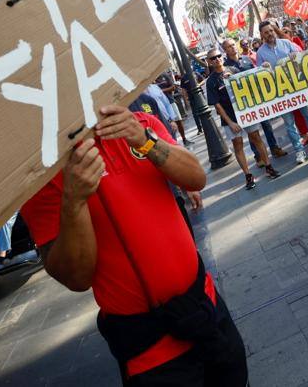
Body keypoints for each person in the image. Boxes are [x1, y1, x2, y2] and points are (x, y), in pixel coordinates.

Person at [20, 105, 247, 385]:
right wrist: (74, 202)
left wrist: (146, 140)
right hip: (151, 349)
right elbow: (75, 278)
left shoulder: (139, 122)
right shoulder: (38, 172)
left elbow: (196, 178)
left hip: (207, 307)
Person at [205, 47, 281, 189]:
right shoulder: (211, 82)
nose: (216, 59)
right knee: (238, 146)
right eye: (213, 58)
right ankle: (248, 175)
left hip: (245, 113)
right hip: (230, 119)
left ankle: (269, 167)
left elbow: (250, 81)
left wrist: (262, 68)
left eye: (218, 56)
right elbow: (217, 106)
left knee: (257, 139)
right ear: (209, 62)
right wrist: (230, 123)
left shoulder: (233, 70)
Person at [256, 21, 308, 163]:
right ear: (262, 35)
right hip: (281, 93)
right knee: (289, 124)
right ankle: (299, 151)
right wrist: (262, 67)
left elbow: (303, 54)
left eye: (271, 31)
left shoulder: (286, 43)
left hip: (298, 89)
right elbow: (259, 75)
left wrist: (295, 55)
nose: (269, 34)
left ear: (274, 30)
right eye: (266, 32)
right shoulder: (260, 53)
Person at [221, 38, 286, 161]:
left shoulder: (246, 59)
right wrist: (227, 76)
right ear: (225, 50)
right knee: (252, 132)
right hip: (243, 103)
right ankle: (258, 156)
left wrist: (262, 67)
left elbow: (254, 73)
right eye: (229, 46)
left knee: (266, 125)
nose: (232, 47)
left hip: (256, 98)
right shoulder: (225, 66)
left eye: (233, 45)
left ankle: (274, 148)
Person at [155, 71, 191, 147]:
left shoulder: (164, 75)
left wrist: (161, 91)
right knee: (166, 124)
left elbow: (173, 87)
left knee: (178, 120)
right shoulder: (150, 80)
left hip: (170, 101)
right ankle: (173, 142)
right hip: (159, 105)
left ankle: (184, 139)